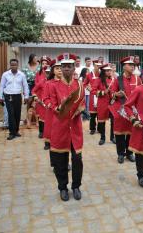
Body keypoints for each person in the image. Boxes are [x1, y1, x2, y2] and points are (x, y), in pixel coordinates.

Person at [49, 53, 85, 201]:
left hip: (75, 128)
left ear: (74, 67)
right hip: (60, 127)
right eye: (63, 66)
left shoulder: (79, 85)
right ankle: (62, 187)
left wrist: (80, 109)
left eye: (69, 66)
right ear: (60, 69)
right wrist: (58, 108)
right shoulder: (53, 85)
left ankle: (76, 186)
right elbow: (49, 102)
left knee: (77, 159)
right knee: (60, 160)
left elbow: (82, 102)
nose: (66, 69)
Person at [109, 56, 142, 164]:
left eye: (133, 65)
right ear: (124, 66)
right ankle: (120, 154)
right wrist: (117, 94)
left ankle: (129, 153)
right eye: (130, 65)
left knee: (131, 133)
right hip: (120, 110)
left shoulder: (137, 79)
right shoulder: (117, 80)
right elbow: (112, 94)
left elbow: (142, 93)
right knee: (119, 134)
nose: (132, 67)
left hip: (133, 110)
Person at [0, 59, 29, 140]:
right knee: (10, 114)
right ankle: (12, 133)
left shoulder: (21, 75)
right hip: (8, 96)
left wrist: (26, 96)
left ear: (17, 65)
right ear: (10, 65)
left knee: (17, 114)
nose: (13, 66)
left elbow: (25, 86)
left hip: (18, 96)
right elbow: (1, 86)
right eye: (12, 65)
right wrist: (0, 97)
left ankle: (16, 131)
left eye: (15, 65)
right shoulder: (5, 74)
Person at [91, 63, 115, 145]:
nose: (109, 72)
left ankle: (112, 137)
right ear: (103, 71)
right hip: (102, 103)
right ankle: (102, 137)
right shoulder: (98, 80)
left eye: (110, 70)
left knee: (113, 121)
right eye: (107, 71)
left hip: (112, 103)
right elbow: (93, 90)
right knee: (101, 121)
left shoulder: (113, 79)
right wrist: (102, 92)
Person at [42, 59, 62, 151]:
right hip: (52, 111)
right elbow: (45, 98)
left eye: (61, 68)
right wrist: (52, 106)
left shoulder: (66, 83)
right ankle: (48, 142)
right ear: (53, 71)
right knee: (50, 127)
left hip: (63, 111)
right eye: (57, 68)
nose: (60, 70)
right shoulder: (48, 83)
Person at [33, 56, 51, 139]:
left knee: (49, 116)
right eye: (42, 63)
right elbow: (36, 87)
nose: (44, 65)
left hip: (49, 99)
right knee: (41, 116)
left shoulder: (51, 75)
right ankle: (41, 131)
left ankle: (49, 132)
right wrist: (36, 97)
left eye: (46, 63)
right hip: (40, 98)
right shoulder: (38, 74)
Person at [84, 59, 102, 135]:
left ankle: (100, 129)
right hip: (92, 96)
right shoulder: (89, 75)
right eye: (97, 66)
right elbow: (84, 84)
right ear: (94, 66)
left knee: (100, 114)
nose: (99, 67)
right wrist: (89, 88)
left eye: (100, 66)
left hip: (101, 95)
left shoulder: (102, 75)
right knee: (92, 114)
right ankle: (92, 128)